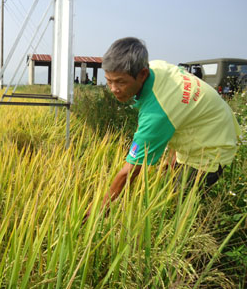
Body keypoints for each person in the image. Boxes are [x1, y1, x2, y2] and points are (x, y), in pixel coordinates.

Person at [101, 37, 241, 209]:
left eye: (121, 82)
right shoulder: (157, 67)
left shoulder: (158, 112)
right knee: (168, 183)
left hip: (212, 146)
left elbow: (129, 171)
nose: (113, 89)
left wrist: (98, 209)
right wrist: (173, 154)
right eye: (109, 81)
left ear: (143, 74)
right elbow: (183, 108)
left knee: (177, 205)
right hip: (209, 121)